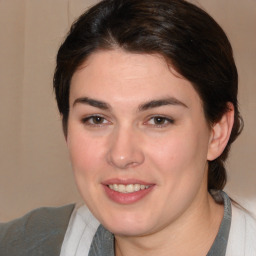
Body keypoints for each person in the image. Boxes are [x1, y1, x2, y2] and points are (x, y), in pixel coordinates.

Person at [1, 0, 255, 255]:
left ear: (217, 132)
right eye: (97, 119)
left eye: (158, 120)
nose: (122, 155)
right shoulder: (26, 244)